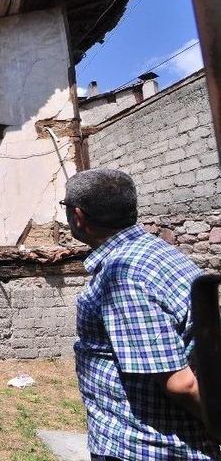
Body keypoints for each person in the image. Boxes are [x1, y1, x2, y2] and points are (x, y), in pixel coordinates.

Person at [65, 169, 220, 460]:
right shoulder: (158, 252)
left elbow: (182, 383)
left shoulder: (123, 275)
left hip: (144, 448)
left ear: (78, 217)